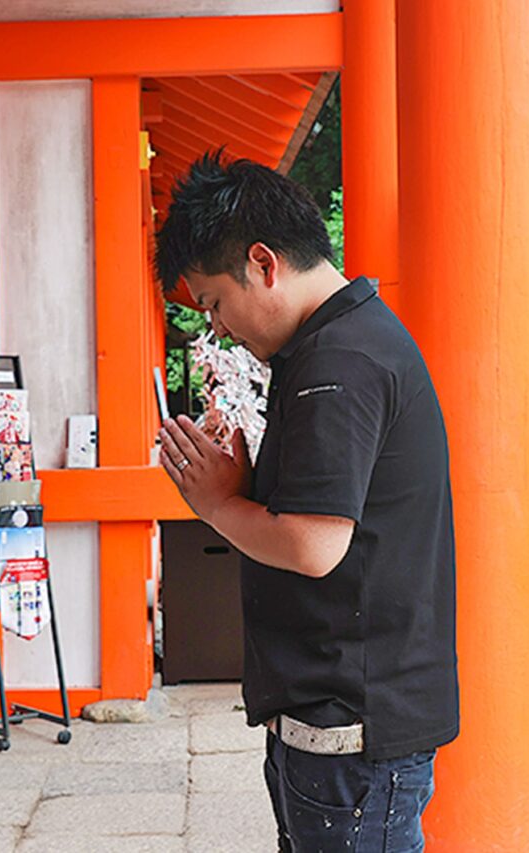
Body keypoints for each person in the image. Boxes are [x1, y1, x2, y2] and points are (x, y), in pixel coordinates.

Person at [154, 152, 459, 853]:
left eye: (215, 303)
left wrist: (214, 500)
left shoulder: (339, 362)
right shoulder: (336, 345)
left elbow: (314, 545)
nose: (220, 327)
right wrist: (245, 480)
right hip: (343, 720)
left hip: (353, 728)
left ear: (263, 262)